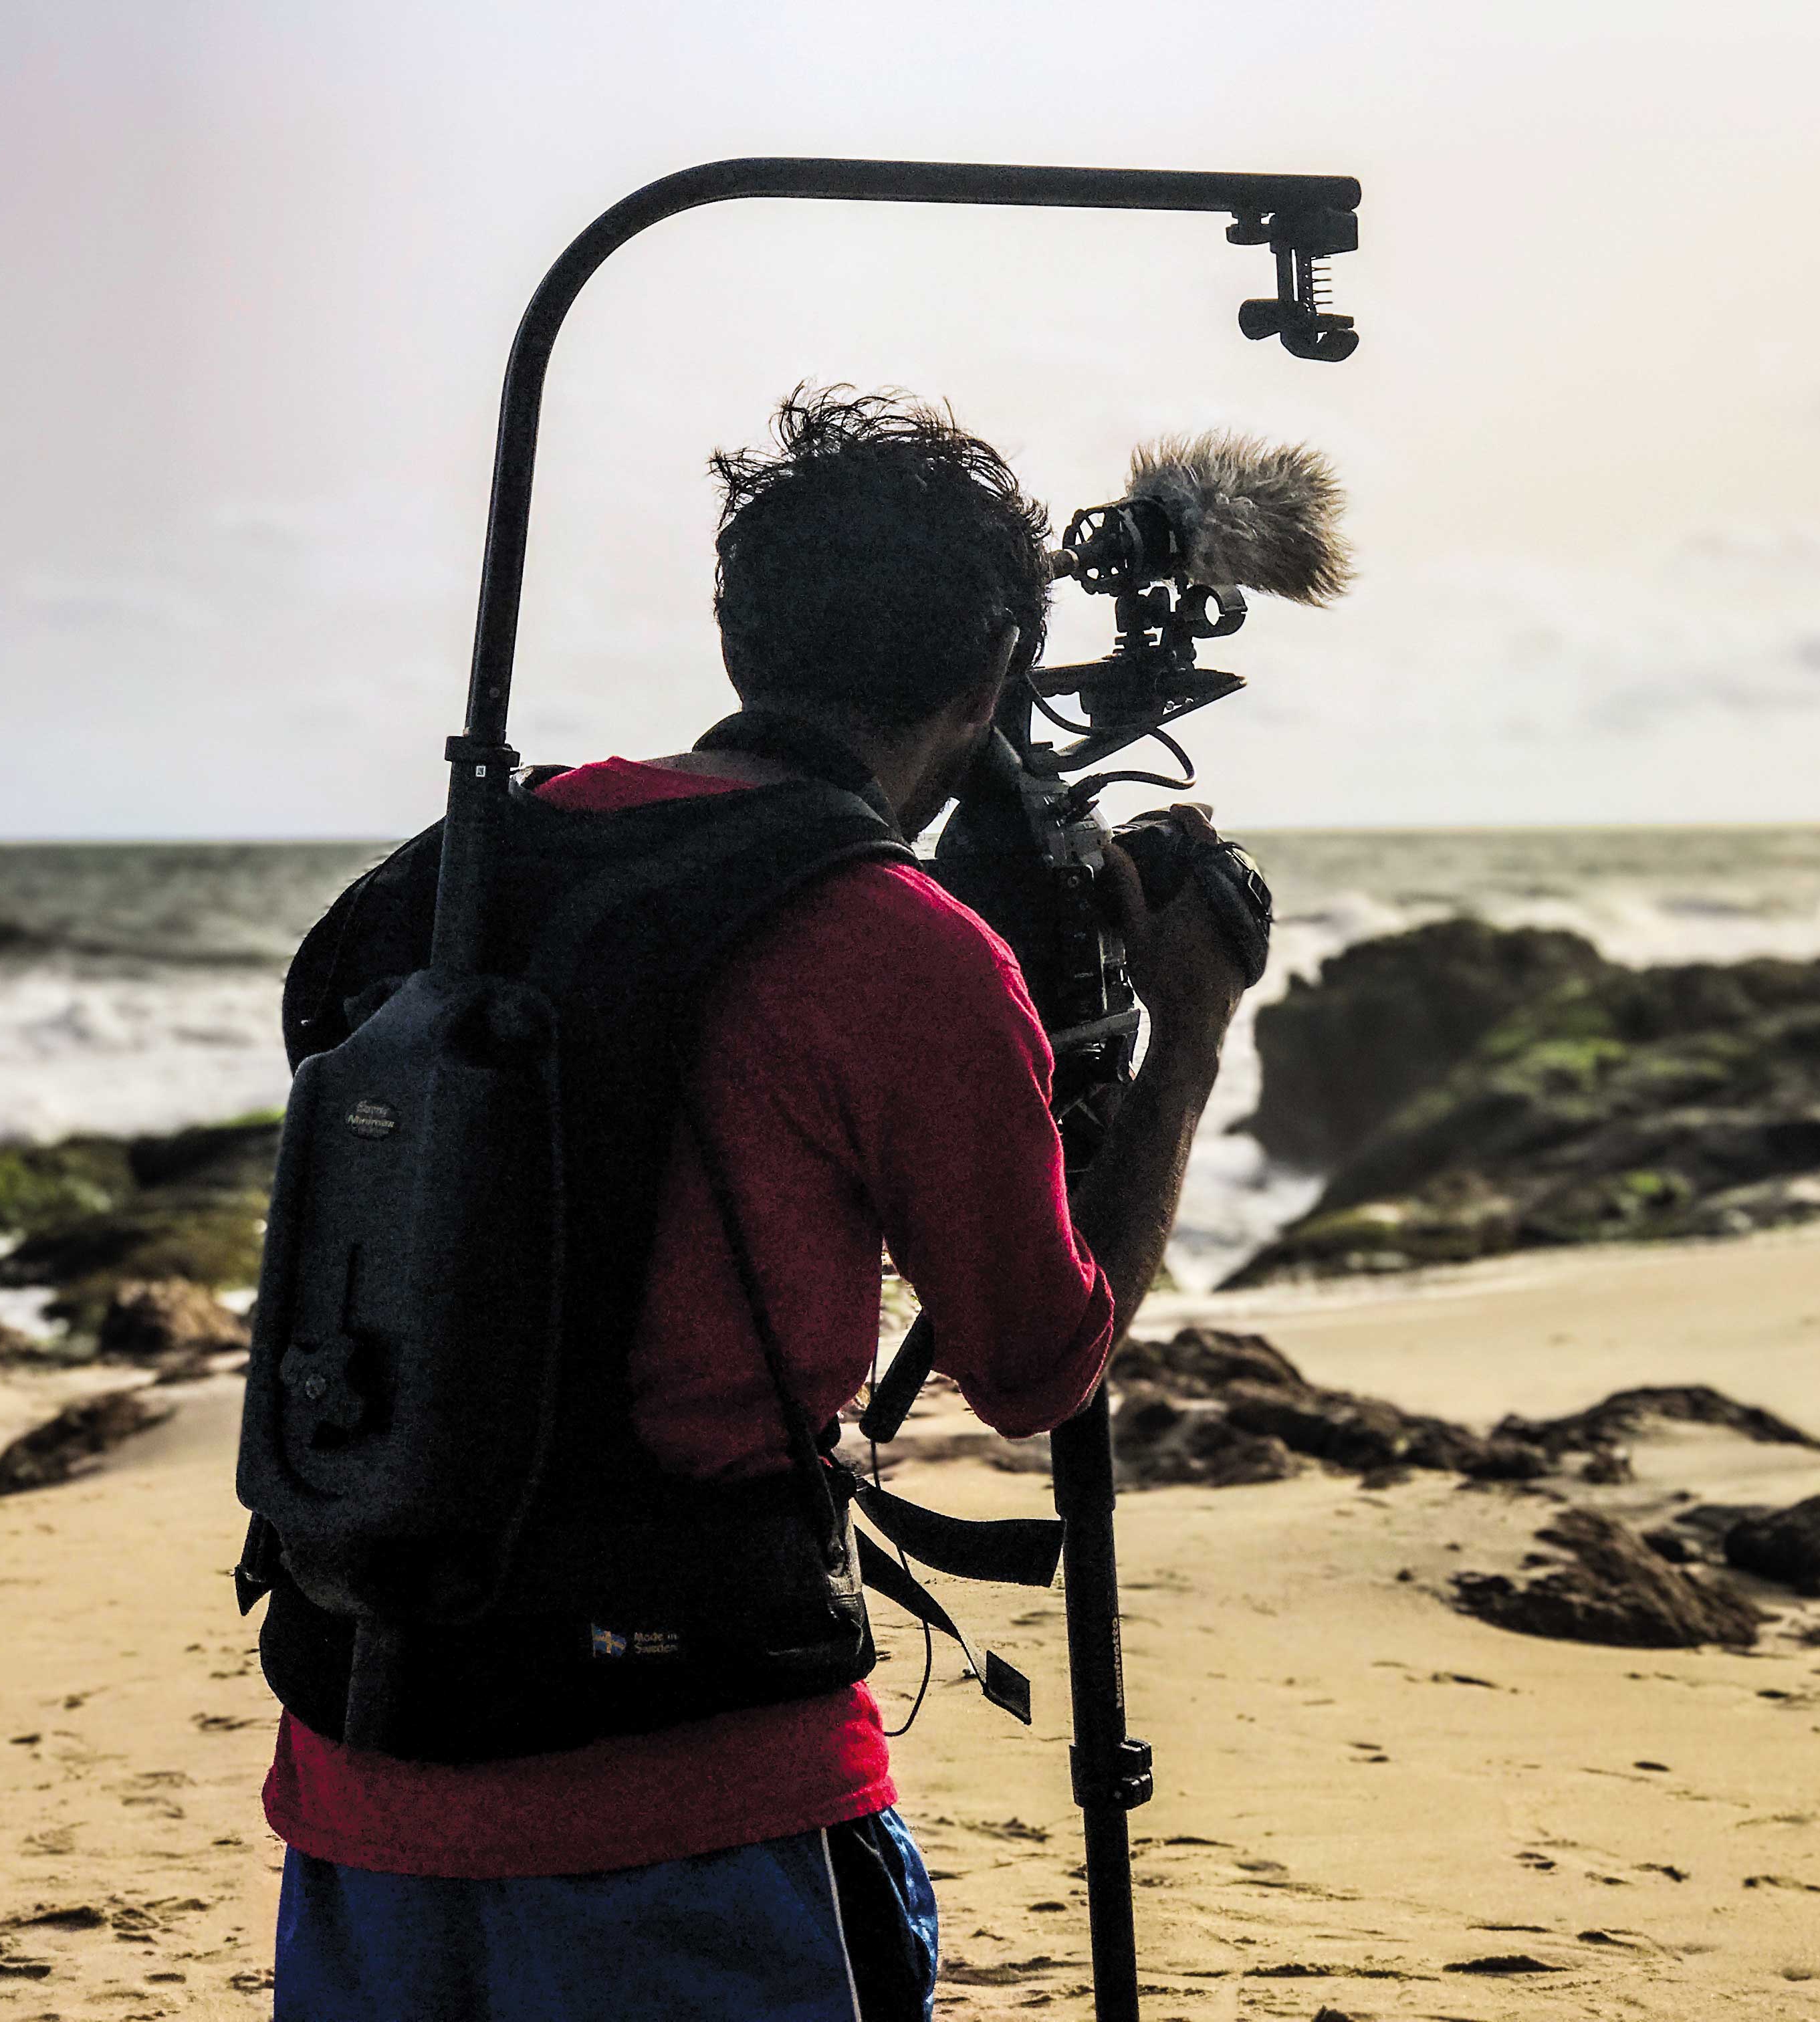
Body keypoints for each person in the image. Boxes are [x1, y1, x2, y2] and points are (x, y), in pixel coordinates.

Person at [258, 388, 1252, 2019]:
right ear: (994, 677)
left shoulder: (450, 876)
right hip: (702, 1808)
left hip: (365, 1771)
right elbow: (1037, 1367)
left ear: (741, 642)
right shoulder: (899, 948)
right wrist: (1188, 1023)